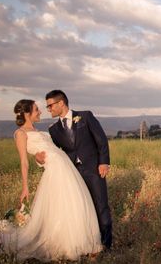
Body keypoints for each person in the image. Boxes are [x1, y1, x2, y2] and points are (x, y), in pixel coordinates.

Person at [0, 100, 103, 261]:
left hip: (65, 168)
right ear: (27, 114)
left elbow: (49, 151)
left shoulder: (41, 130)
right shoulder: (20, 134)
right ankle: (67, 244)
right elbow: (24, 161)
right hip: (55, 171)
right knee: (63, 204)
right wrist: (25, 186)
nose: (40, 112)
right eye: (36, 109)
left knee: (72, 203)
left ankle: (77, 241)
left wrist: (40, 159)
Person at [37, 90, 113, 250]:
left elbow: (101, 140)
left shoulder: (85, 116)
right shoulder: (54, 129)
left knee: (101, 204)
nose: (48, 109)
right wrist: (40, 159)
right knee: (82, 208)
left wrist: (104, 162)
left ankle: (107, 245)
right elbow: (55, 153)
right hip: (71, 174)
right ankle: (90, 243)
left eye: (50, 105)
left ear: (61, 103)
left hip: (94, 169)